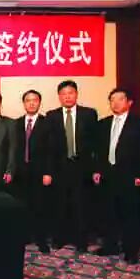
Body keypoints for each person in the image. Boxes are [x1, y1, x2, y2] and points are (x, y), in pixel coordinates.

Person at [93, 88, 140, 264]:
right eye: (112, 100)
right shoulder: (103, 124)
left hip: (130, 176)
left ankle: (131, 250)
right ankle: (110, 246)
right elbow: (99, 151)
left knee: (130, 215)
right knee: (108, 213)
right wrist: (97, 170)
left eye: (120, 99)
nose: (116, 103)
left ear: (129, 102)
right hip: (108, 175)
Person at [45, 80, 98, 252]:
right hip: (60, 167)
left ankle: (81, 241)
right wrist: (48, 171)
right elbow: (49, 147)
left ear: (76, 94)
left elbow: (96, 143)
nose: (67, 97)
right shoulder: (51, 116)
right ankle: (59, 238)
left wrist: (95, 169)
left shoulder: (89, 114)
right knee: (60, 204)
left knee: (81, 205)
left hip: (82, 167)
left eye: (70, 93)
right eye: (63, 94)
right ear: (59, 97)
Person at [13, 90, 52, 253]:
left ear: (39, 102)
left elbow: (51, 150)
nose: (31, 103)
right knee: (22, 205)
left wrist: (48, 172)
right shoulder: (16, 123)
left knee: (40, 205)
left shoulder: (47, 123)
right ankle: (25, 236)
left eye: (34, 100)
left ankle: (41, 240)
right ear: (24, 103)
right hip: (20, 171)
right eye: (28, 100)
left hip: (40, 172)